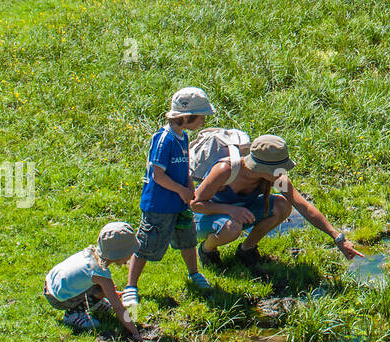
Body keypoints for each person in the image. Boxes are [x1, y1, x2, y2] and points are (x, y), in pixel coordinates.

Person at [191, 134, 365, 268]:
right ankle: (207, 250)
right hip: (206, 219)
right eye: (277, 169)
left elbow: (303, 206)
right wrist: (230, 210)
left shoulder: (275, 177)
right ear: (261, 168)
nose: (281, 172)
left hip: (241, 214)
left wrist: (338, 237)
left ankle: (247, 250)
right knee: (231, 227)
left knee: (282, 205)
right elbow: (195, 204)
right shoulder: (225, 170)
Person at [123, 87, 213, 310]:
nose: (203, 121)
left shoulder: (182, 137)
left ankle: (194, 273)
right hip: (160, 204)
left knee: (188, 238)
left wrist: (189, 183)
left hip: (179, 203)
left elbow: (183, 167)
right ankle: (130, 286)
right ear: (186, 117)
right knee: (146, 242)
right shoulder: (165, 140)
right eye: (201, 117)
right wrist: (181, 191)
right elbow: (158, 175)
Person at [43, 221, 141, 340]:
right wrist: (134, 331)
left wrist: (110, 293)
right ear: (119, 255)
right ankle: (73, 314)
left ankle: (96, 304)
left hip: (50, 283)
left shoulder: (89, 253)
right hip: (58, 298)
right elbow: (118, 308)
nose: (131, 256)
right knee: (104, 287)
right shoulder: (100, 274)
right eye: (129, 253)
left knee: (103, 287)